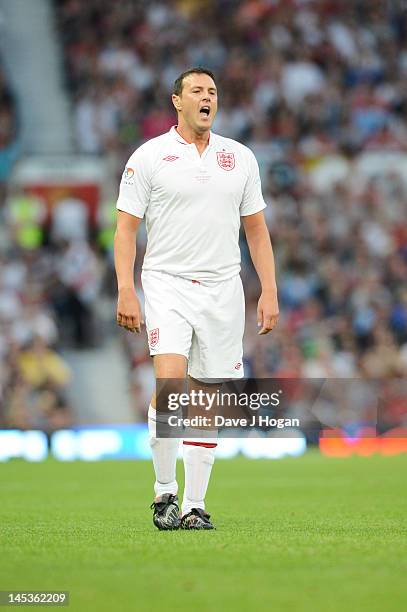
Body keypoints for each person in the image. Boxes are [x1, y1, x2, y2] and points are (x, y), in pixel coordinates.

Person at [114, 67, 279, 530]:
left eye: (212, 91)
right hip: (166, 283)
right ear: (177, 101)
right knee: (170, 387)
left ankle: (194, 506)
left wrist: (268, 289)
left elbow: (257, 230)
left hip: (224, 289)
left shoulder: (240, 157)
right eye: (197, 91)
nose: (207, 98)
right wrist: (126, 287)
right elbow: (126, 229)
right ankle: (164, 492)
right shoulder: (148, 157)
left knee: (207, 399)